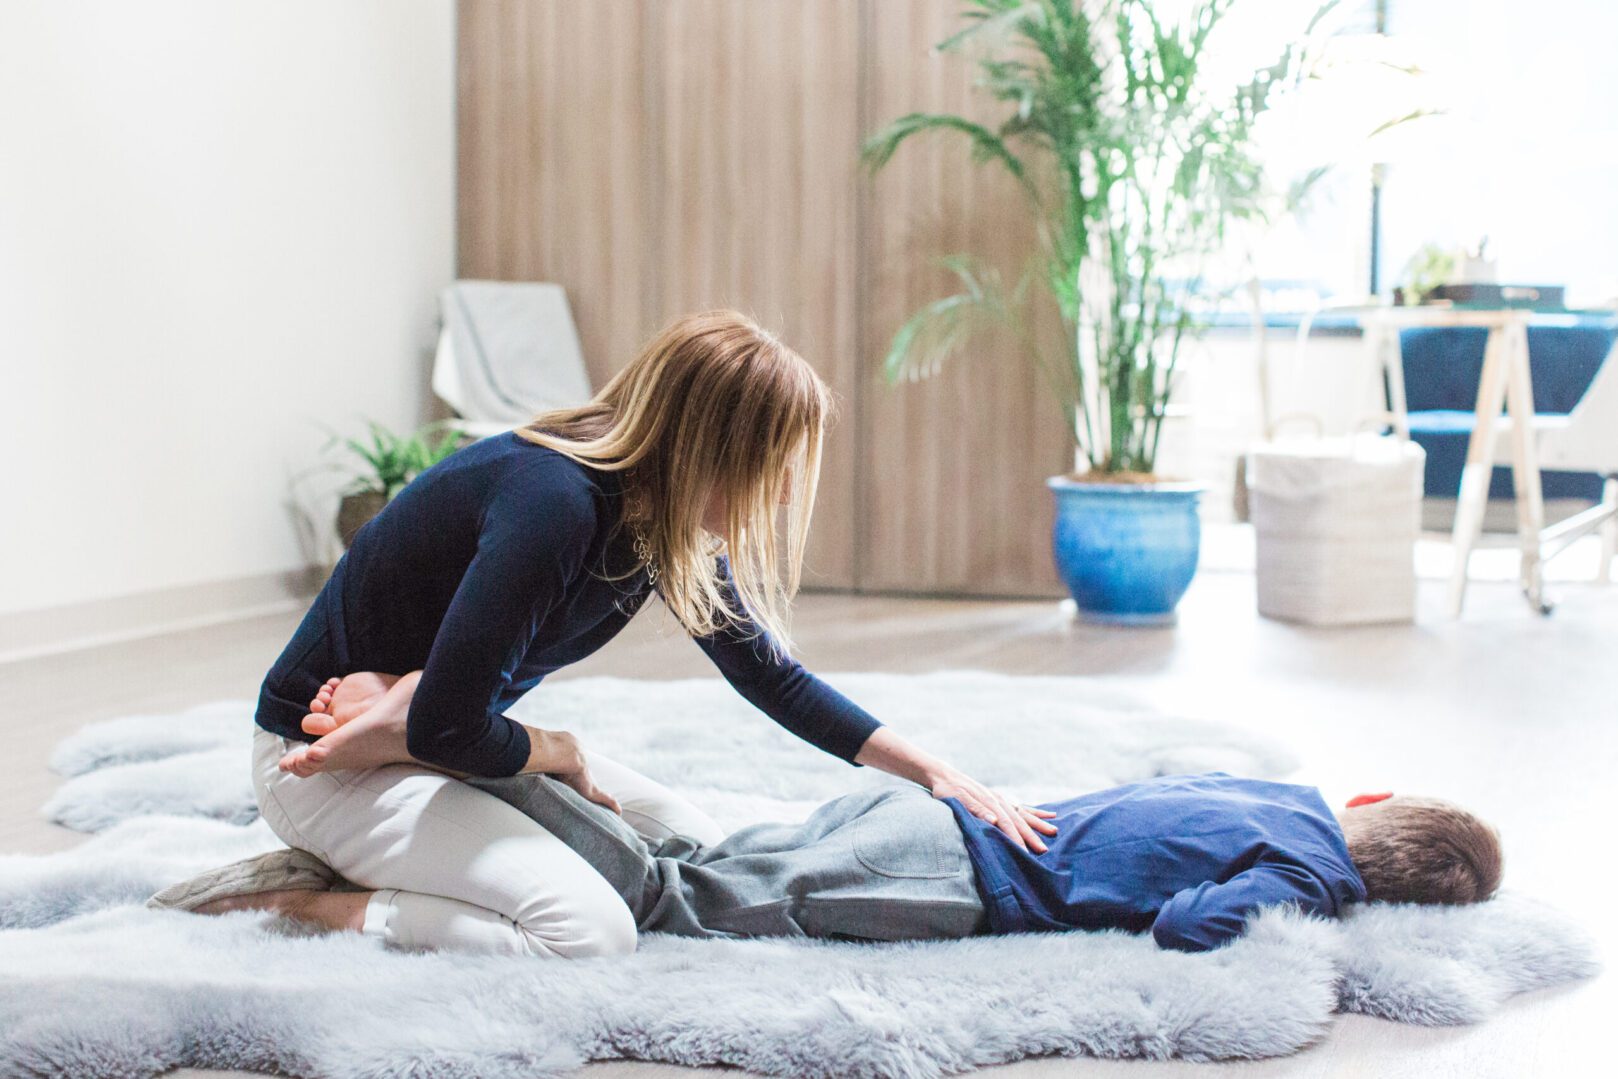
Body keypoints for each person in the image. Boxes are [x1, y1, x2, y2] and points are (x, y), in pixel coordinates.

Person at [229, 310, 1056, 959]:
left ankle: (426, 859)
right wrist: (559, 750)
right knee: (588, 930)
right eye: (767, 473)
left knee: (693, 849)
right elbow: (448, 722)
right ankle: (307, 901)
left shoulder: (657, 520)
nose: (772, 502)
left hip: (428, 737)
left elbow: (772, 675)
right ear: (708, 450)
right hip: (322, 765)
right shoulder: (551, 502)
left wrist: (936, 772)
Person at [155, 757, 1502, 954]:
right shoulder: (1311, 877)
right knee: (675, 905)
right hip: (950, 886)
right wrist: (1296, 917)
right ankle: (490, 790)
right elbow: (1187, 929)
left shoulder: (1275, 785)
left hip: (942, 817)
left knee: (721, 840)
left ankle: (553, 773)